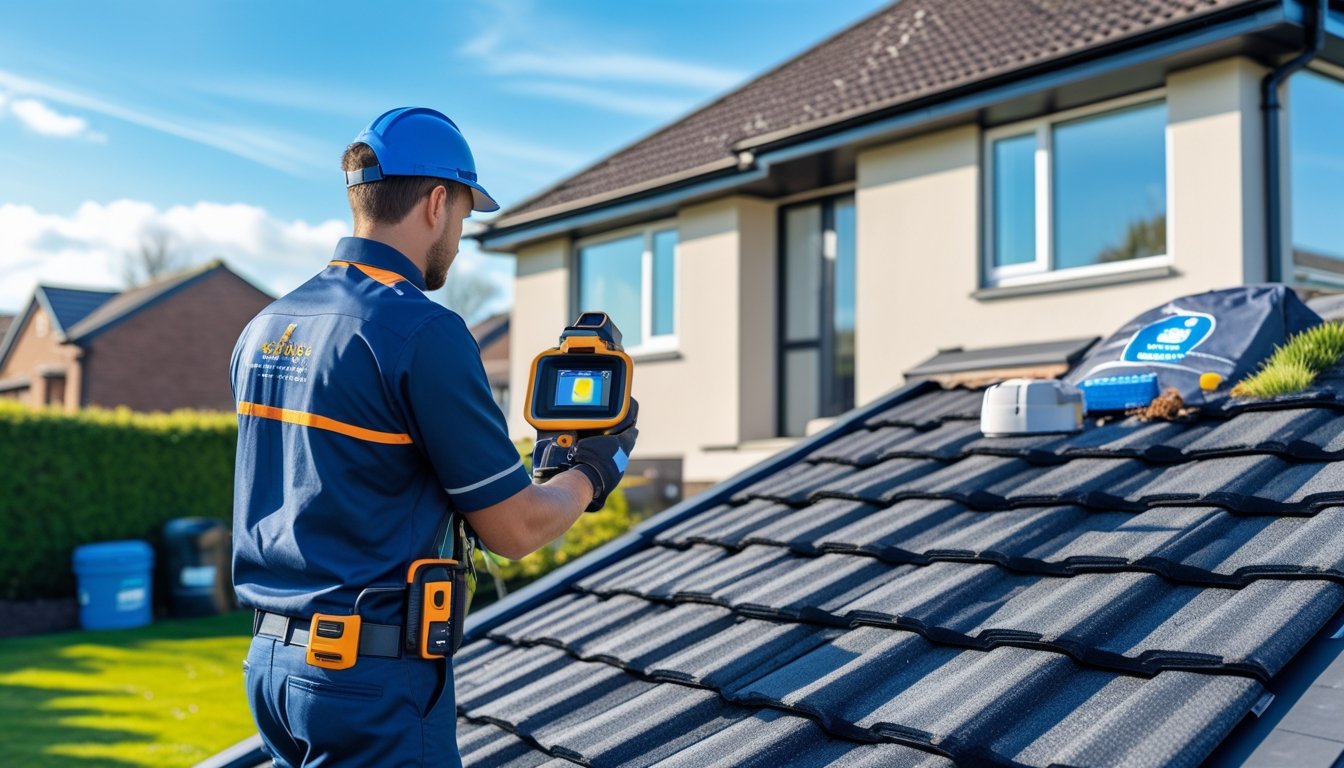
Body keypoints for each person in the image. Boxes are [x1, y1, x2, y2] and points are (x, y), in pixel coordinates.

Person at [230, 107, 638, 767]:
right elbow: (514, 531)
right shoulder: (423, 331)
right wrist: (592, 466)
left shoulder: (267, 327)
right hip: (368, 683)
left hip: (272, 668)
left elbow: (354, 481)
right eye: (465, 215)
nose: (458, 234)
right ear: (437, 201)